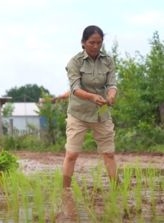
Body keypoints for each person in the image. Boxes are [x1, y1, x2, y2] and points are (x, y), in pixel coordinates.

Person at [62, 25, 118, 189]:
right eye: (91, 42)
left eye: (99, 43)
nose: (95, 46)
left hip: (101, 113)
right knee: (72, 154)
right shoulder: (75, 62)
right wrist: (93, 97)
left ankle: (116, 188)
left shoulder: (108, 61)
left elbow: (112, 84)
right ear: (83, 43)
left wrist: (111, 95)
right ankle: (65, 190)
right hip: (78, 113)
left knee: (108, 153)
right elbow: (75, 89)